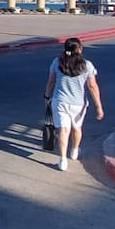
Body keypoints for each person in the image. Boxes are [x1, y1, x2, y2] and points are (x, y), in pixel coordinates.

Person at [43, 37, 103, 171]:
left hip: (60, 101)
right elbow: (92, 86)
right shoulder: (87, 65)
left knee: (63, 130)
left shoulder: (57, 62)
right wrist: (99, 107)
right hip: (79, 104)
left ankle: (63, 159)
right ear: (80, 49)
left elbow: (51, 82)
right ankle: (74, 150)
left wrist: (47, 96)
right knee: (77, 128)